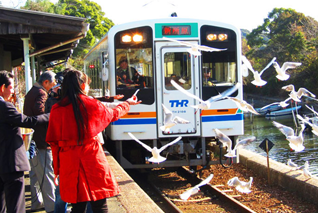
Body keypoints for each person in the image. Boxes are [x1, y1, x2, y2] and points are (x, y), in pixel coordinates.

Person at [46, 70, 140, 213]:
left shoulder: (57, 109)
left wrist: (57, 170)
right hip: (92, 157)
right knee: (99, 203)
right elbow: (114, 114)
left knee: (77, 205)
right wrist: (127, 103)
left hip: (68, 161)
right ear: (83, 86)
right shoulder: (91, 104)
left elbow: (54, 143)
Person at [0, 70, 49, 213]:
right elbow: (27, 121)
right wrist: (50, 116)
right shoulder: (4, 107)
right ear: (2, 88)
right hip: (11, 162)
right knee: (16, 205)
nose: (13, 91)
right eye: (11, 87)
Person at [23, 71, 57, 212]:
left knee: (35, 175)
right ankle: (52, 207)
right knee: (46, 175)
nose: (55, 84)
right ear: (46, 83)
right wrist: (52, 115)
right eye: (53, 82)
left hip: (32, 139)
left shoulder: (32, 91)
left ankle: (37, 203)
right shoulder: (41, 93)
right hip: (41, 140)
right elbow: (39, 112)